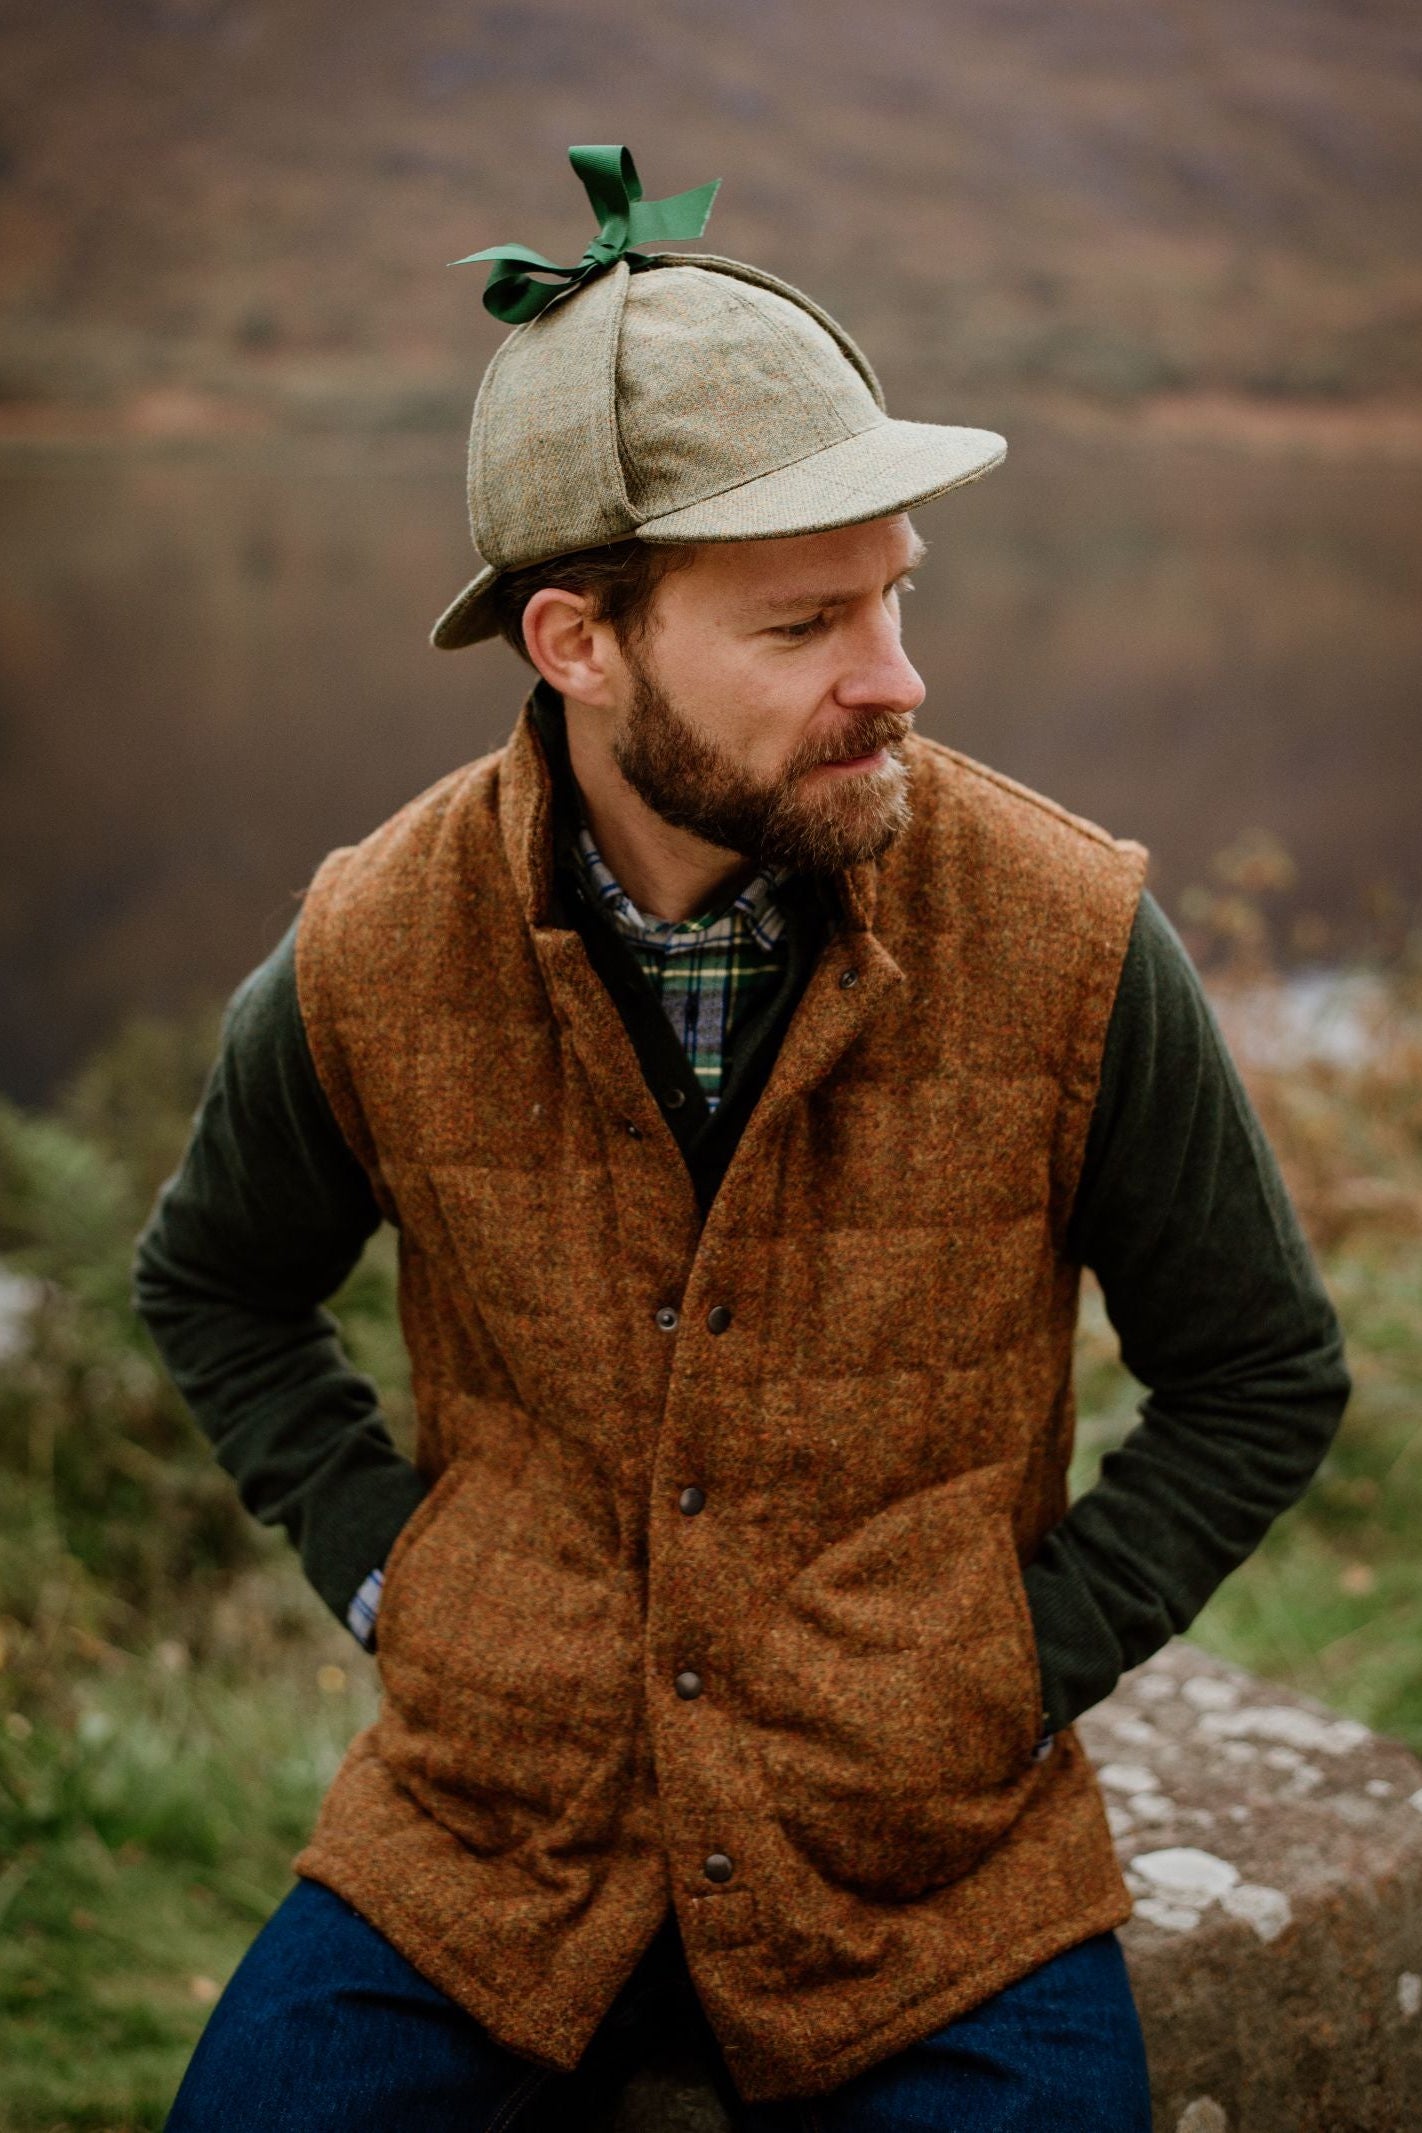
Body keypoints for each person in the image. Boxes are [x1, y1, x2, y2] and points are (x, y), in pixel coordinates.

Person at [134, 147, 1350, 2131]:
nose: (899, 679)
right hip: (483, 1845)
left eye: (893, 595)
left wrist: (1013, 1666)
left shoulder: (1071, 938)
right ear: (577, 646)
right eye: (805, 625)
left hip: (934, 1880)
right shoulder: (371, 939)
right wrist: (391, 1576)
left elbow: (1263, 1371)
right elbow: (212, 1284)